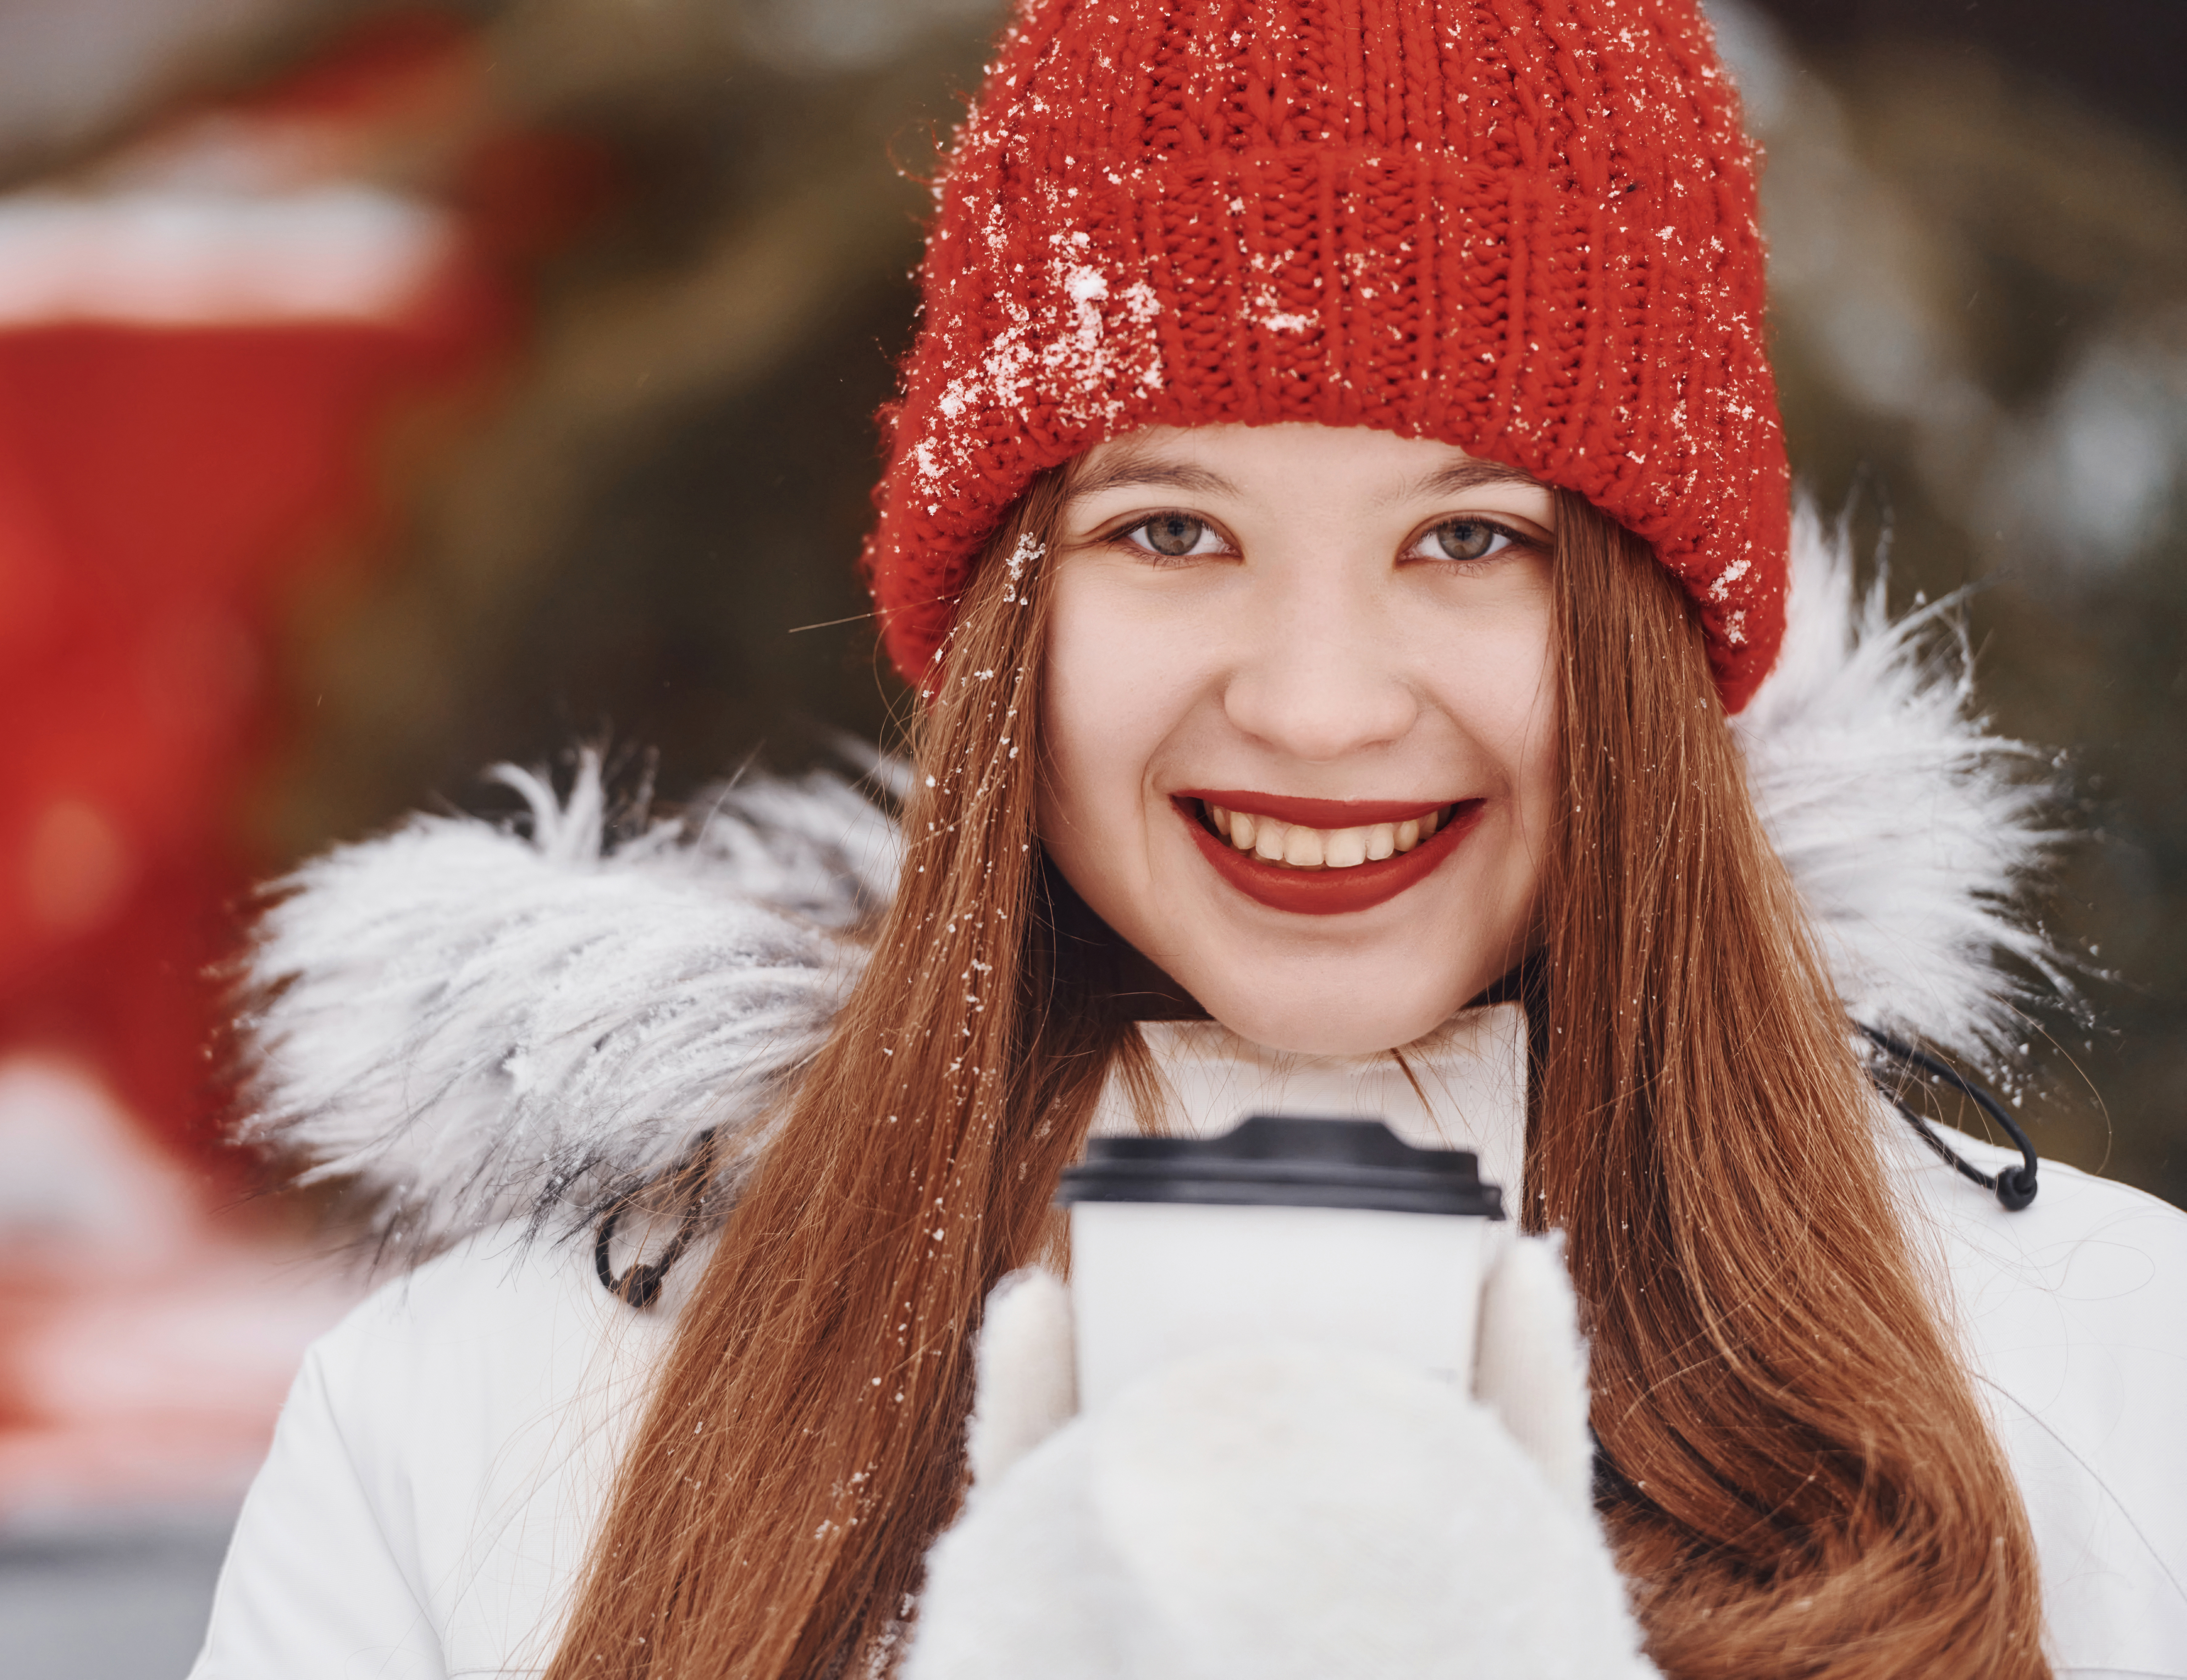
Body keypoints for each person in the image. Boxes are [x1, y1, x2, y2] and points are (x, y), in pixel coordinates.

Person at [188, 2, 2187, 1677]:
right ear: (1004, 632)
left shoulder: (2110, 1377)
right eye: (1171, 531)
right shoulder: (476, 1418)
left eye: (1473, 538)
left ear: (1652, 633)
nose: (1319, 705)